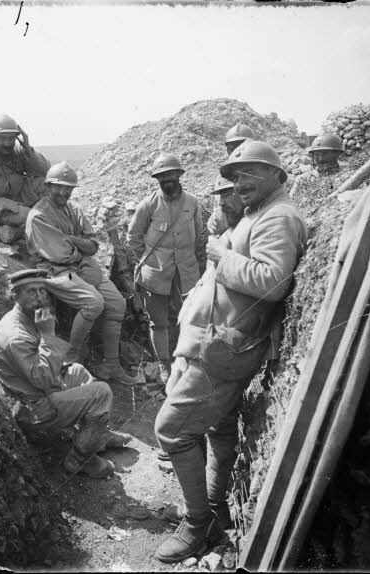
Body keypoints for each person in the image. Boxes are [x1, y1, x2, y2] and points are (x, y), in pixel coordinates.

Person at [153, 140, 308, 563]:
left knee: (171, 430)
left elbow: (273, 282)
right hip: (218, 342)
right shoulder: (260, 213)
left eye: (250, 172)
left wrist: (222, 256)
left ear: (276, 174)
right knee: (218, 428)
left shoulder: (278, 216)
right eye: (235, 175)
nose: (240, 182)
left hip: (226, 349)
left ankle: (197, 525)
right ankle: (212, 506)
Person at [0, 268, 131, 479]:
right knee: (102, 393)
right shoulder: (16, 335)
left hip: (35, 391)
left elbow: (44, 368)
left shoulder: (27, 317)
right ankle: (80, 461)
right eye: (31, 292)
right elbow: (44, 380)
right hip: (32, 410)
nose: (39, 297)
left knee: (78, 371)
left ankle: (95, 436)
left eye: (42, 291)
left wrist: (50, 340)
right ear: (15, 295)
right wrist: (48, 335)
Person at [25, 162, 137, 386]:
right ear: (48, 186)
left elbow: (93, 246)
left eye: (68, 188)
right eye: (58, 187)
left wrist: (73, 240)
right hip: (54, 270)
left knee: (117, 303)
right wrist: (80, 246)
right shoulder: (38, 216)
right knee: (93, 302)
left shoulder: (74, 210)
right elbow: (60, 255)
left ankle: (111, 365)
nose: (63, 192)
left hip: (83, 266)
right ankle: (72, 356)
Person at [127, 153, 206, 385]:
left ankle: (188, 362)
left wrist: (189, 258)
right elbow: (133, 237)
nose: (167, 178)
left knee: (190, 318)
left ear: (179, 174)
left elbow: (199, 234)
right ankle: (163, 364)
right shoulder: (148, 205)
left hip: (186, 271)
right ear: (157, 179)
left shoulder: (192, 203)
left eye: (171, 174)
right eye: (162, 176)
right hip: (155, 273)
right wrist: (150, 260)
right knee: (158, 322)